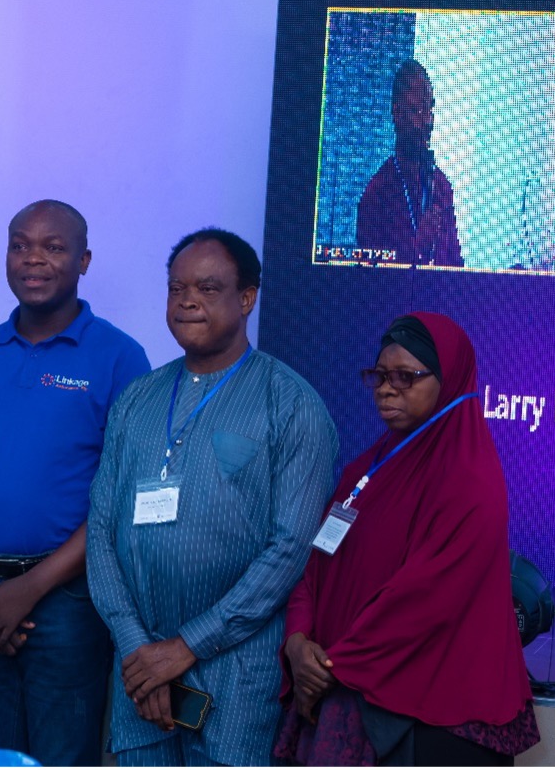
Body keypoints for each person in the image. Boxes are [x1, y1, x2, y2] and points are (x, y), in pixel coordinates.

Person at [86, 227, 339, 766]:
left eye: (207, 288)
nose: (188, 301)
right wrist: (138, 649)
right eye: (177, 289)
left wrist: (183, 649)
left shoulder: (291, 405)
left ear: (247, 298)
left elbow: (290, 550)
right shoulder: (137, 400)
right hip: (140, 677)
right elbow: (102, 533)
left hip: (237, 678)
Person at [0, 199, 150, 765]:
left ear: (84, 260)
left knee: (62, 757)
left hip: (68, 603)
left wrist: (29, 589)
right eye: (20, 244)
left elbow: (118, 501)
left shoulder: (121, 358)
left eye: (54, 247)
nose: (34, 259)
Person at [274, 312, 539, 766]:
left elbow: (424, 601)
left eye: (405, 377)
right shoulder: (364, 468)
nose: (385, 388)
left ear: (449, 381)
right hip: (340, 684)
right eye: (378, 375)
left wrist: (329, 667)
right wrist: (298, 643)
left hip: (429, 716)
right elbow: (314, 565)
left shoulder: (471, 479)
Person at [356, 59, 463, 267]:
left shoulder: (441, 186)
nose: (428, 122)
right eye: (418, 111)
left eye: (430, 109)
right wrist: (417, 244)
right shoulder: (377, 193)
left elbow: (456, 268)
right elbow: (366, 282)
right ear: (397, 114)